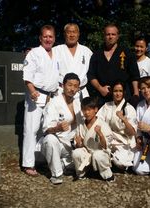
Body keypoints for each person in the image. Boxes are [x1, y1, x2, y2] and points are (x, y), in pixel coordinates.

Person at [21, 25, 59, 176]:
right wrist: (32, 91)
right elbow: (27, 75)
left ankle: (40, 159)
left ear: (54, 38)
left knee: (46, 129)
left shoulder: (56, 54)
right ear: (40, 38)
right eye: (45, 36)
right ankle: (28, 164)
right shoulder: (34, 53)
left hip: (51, 96)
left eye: (51, 37)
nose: (48, 39)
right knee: (31, 129)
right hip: (36, 94)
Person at [39, 73, 82, 185]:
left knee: (85, 161)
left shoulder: (78, 103)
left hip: (72, 144)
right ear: (63, 85)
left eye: (75, 86)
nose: (72, 89)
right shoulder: (54, 103)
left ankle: (62, 164)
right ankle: (56, 174)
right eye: (70, 85)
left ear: (78, 88)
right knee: (49, 139)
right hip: (58, 144)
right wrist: (57, 128)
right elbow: (46, 130)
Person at [87, 23, 140, 107]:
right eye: (108, 34)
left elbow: (135, 75)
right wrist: (100, 89)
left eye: (113, 34)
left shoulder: (127, 52)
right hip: (103, 97)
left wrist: (136, 94)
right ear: (104, 36)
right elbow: (91, 75)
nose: (110, 36)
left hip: (123, 96)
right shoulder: (97, 54)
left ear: (117, 36)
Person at [71, 97, 115, 182]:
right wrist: (79, 144)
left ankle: (108, 175)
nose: (86, 113)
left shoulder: (102, 124)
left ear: (95, 110)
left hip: (100, 153)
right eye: (84, 110)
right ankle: (82, 173)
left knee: (98, 155)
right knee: (76, 152)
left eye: (89, 110)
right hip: (87, 154)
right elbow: (79, 145)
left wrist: (100, 134)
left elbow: (106, 146)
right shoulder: (81, 125)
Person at [96, 81, 137, 170]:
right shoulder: (106, 106)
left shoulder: (129, 108)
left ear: (124, 93)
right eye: (115, 91)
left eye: (120, 91)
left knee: (121, 163)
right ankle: (108, 158)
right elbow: (97, 121)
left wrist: (123, 119)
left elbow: (132, 132)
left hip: (123, 142)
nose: (118, 94)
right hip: (107, 140)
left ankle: (112, 159)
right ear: (112, 92)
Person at [53, 23, 93, 100]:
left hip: (81, 92)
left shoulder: (86, 51)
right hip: (62, 92)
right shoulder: (56, 50)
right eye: (69, 32)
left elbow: (94, 72)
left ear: (78, 34)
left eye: (74, 32)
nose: (72, 35)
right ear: (65, 34)